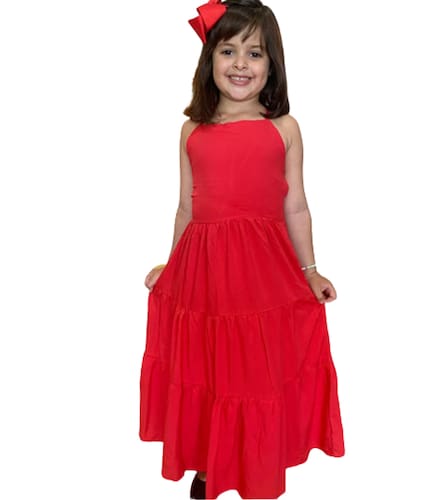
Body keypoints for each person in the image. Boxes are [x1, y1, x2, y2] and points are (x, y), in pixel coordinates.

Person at [139, 0, 345, 498]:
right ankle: (210, 464)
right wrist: (171, 264)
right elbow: (186, 208)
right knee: (209, 367)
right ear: (209, 59)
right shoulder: (192, 131)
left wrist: (310, 270)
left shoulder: (284, 128)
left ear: (272, 64)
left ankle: (257, 466)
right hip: (205, 270)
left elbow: (296, 206)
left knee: (255, 372)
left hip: (262, 273)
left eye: (254, 54)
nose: (240, 64)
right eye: (228, 51)